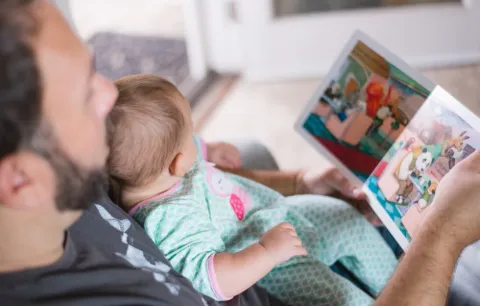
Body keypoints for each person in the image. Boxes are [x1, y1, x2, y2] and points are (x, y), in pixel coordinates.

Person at [0, 1, 478, 305]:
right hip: (283, 273)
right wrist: (444, 235)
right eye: (85, 95)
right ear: (19, 181)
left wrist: (296, 182)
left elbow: (190, 179)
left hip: (270, 225)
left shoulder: (78, 172)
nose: (110, 94)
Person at [106, 74, 398, 305]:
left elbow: (181, 145)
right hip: (274, 264)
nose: (195, 137)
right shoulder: (169, 219)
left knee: (346, 217)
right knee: (341, 299)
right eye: (191, 132)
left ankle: (399, 283)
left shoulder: (159, 169)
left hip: (272, 212)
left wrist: (209, 149)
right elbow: (213, 278)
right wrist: (266, 252)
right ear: (177, 163)